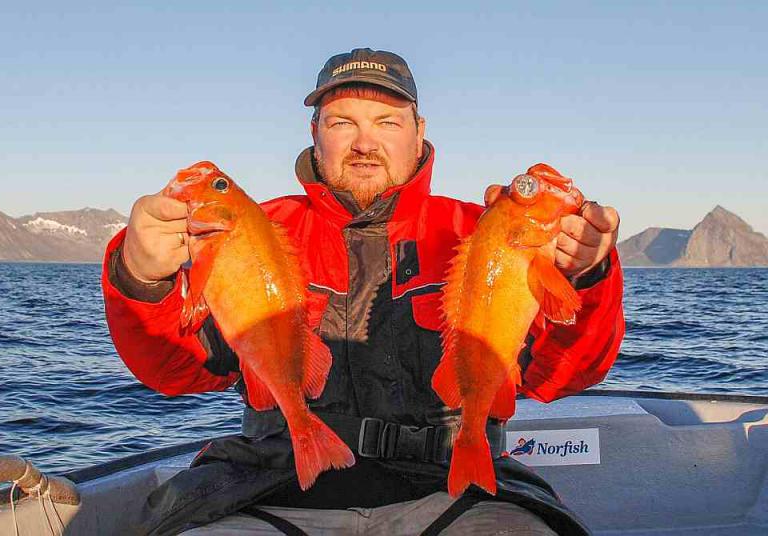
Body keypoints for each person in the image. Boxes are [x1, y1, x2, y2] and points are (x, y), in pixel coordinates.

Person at [102, 48, 625, 535]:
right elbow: (177, 369)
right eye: (342, 122)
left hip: (456, 490)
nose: (365, 143)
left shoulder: (480, 232)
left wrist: (586, 274)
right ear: (314, 132)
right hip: (271, 485)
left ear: (419, 132)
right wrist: (141, 278)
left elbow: (561, 373)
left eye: (387, 122)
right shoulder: (255, 230)